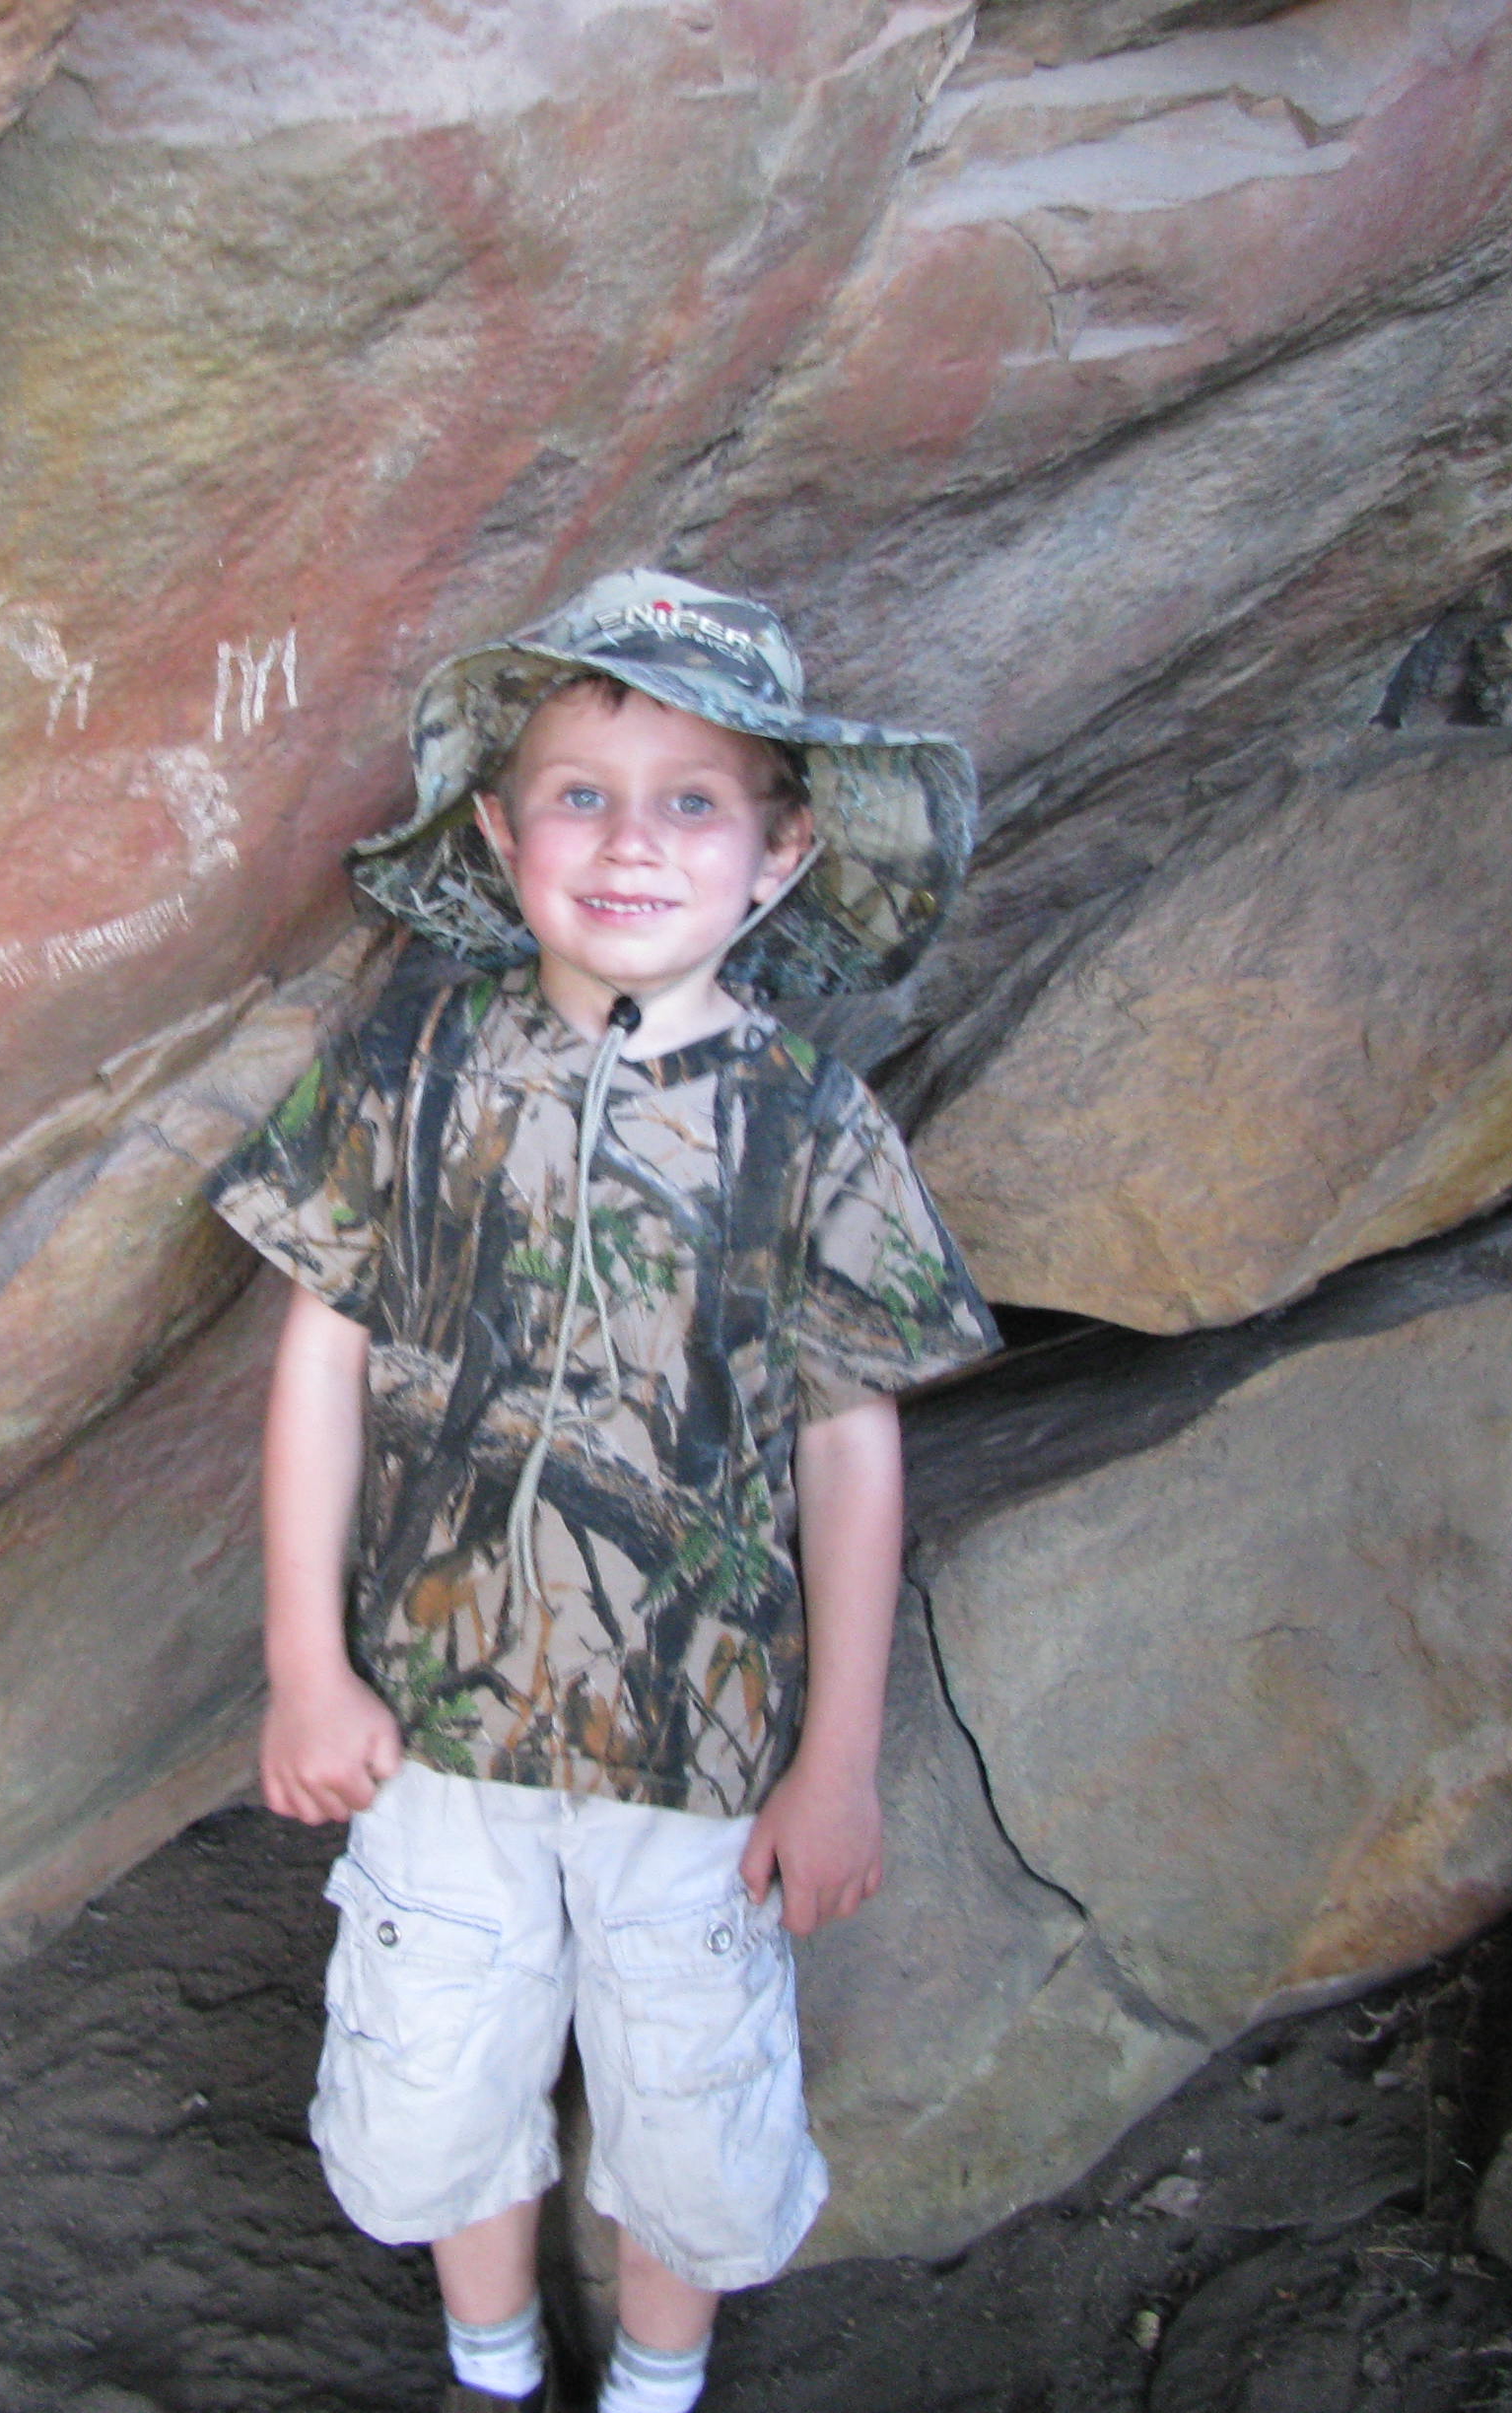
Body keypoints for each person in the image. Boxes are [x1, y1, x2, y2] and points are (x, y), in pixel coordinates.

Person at [207, 569, 999, 2412]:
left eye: (692, 802)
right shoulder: (414, 1066)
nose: (632, 843)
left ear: (781, 854)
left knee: (695, 2106)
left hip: (705, 1751)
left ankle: (654, 2384)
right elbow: (322, 1359)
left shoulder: (812, 1124)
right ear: (500, 831)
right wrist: (307, 1670)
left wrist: (838, 1758)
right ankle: (492, 2364)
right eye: (581, 794)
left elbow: (849, 1439)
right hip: (438, 1727)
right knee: (431, 2079)